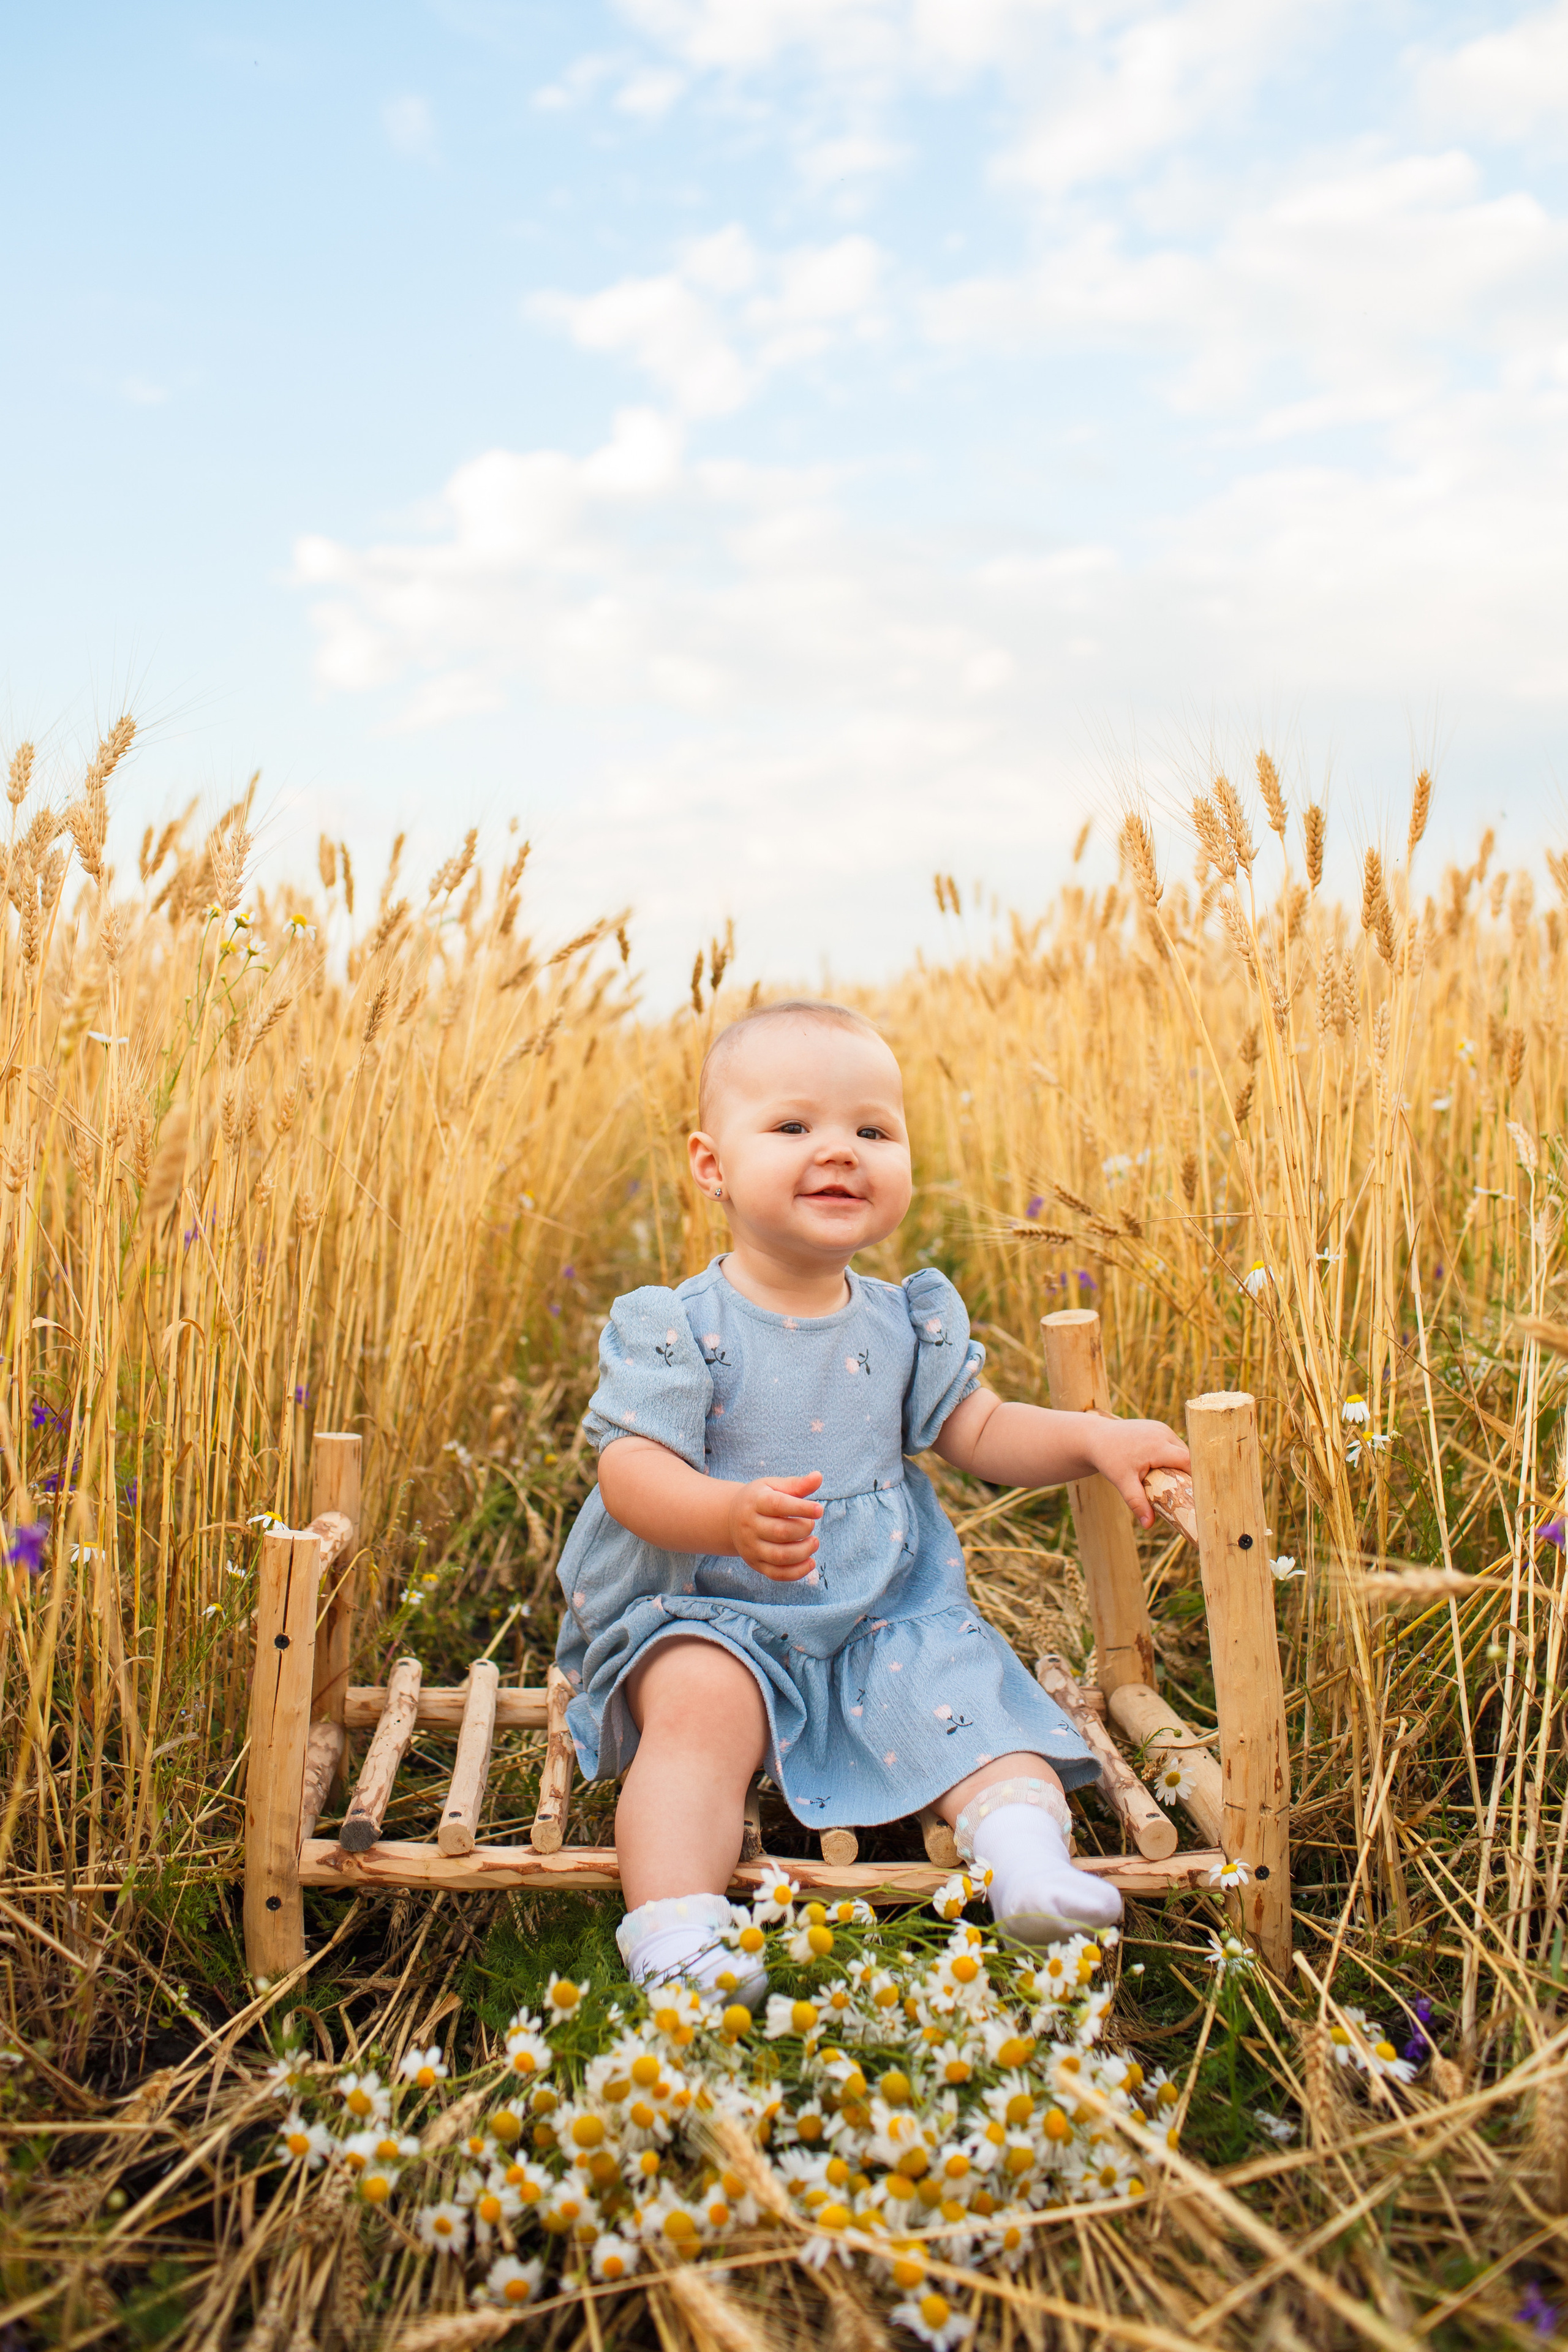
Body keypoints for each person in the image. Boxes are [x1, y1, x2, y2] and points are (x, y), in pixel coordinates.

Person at [553, 999, 1190, 1997]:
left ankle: (1026, 1863)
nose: (840, 1150)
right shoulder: (677, 1325)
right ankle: (675, 1933)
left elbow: (980, 1430)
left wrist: (1091, 1438)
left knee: (967, 1693)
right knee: (699, 1716)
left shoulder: (905, 1322)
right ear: (712, 1166)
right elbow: (631, 1472)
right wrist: (725, 1516)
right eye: (793, 1125)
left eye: (874, 1130)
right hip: (713, 1607)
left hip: (879, 1607)